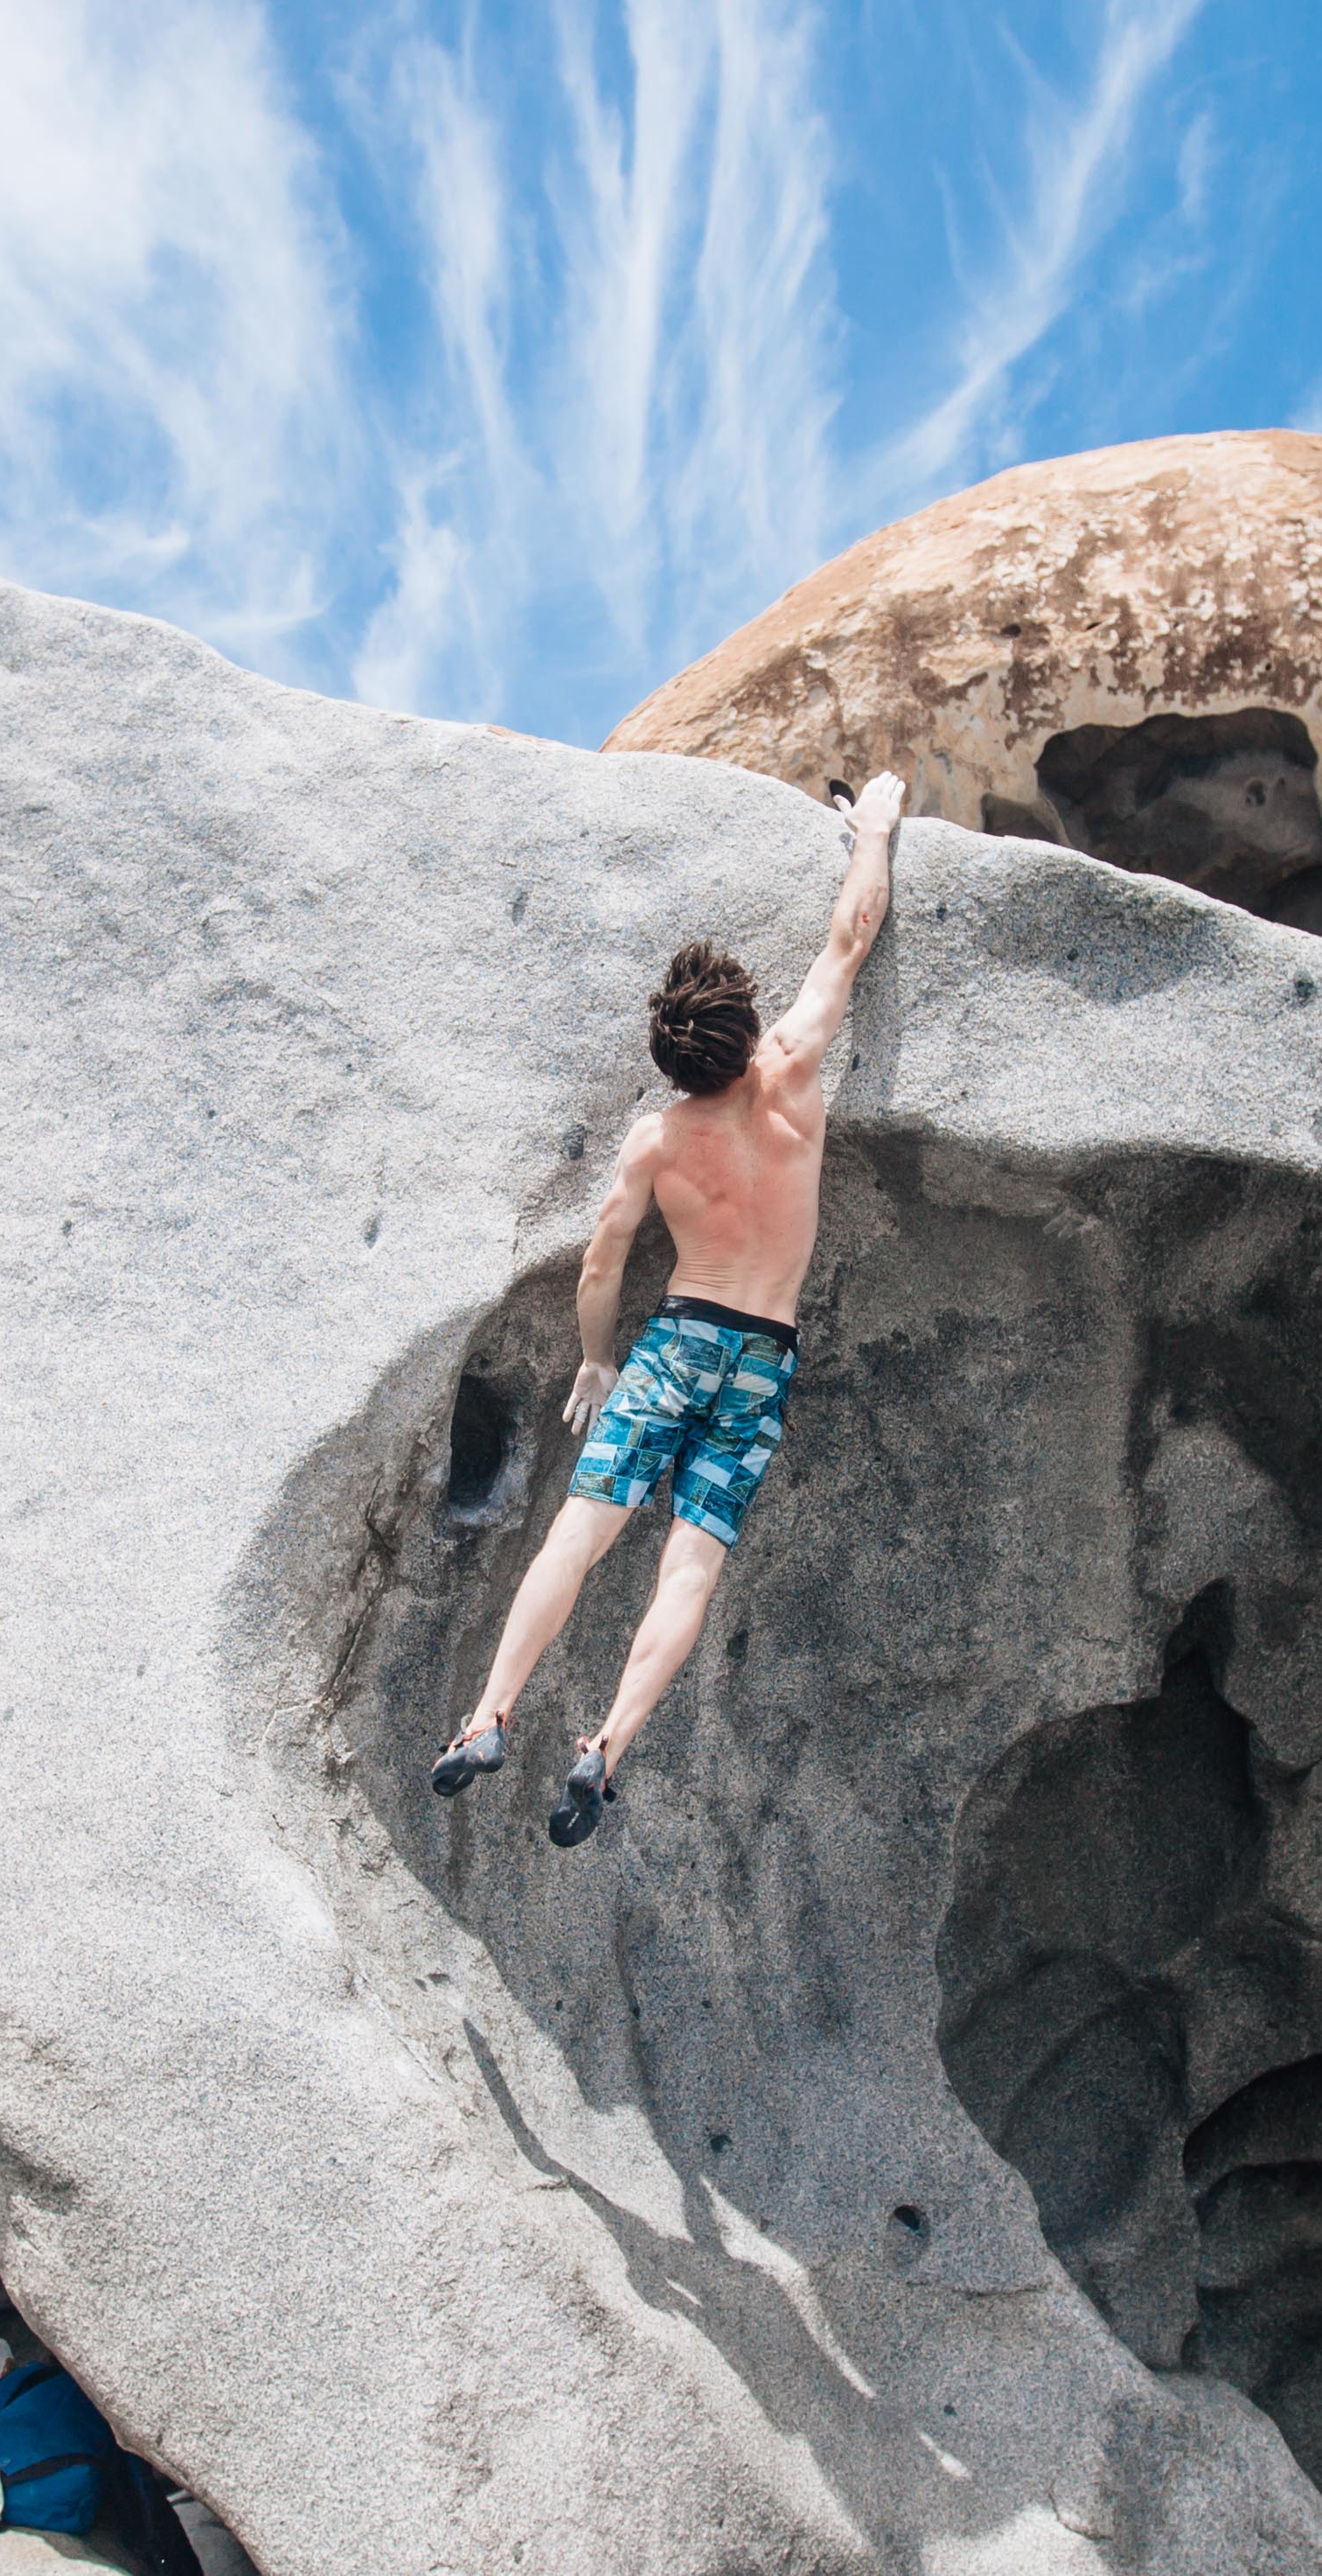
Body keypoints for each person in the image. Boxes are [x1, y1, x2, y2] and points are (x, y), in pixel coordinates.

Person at [435, 771, 906, 1846]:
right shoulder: (789, 1069)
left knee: (580, 1534)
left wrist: (598, 1364)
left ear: (670, 1062)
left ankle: (487, 1718)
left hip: (677, 1342)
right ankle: (606, 1747)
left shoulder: (656, 1141)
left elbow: (604, 1266)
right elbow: (851, 937)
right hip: (764, 1358)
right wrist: (872, 830)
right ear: (745, 1030)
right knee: (691, 1559)